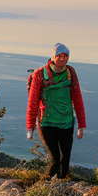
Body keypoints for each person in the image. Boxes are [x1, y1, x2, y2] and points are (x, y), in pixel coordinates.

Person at [26, 43, 86, 181]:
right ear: (54, 57)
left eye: (66, 56)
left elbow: (77, 99)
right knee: (55, 159)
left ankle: (60, 186)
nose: (63, 59)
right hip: (47, 122)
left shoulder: (70, 73)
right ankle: (45, 184)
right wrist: (30, 126)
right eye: (60, 56)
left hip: (66, 122)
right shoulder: (40, 74)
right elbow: (33, 101)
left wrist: (81, 125)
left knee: (65, 159)